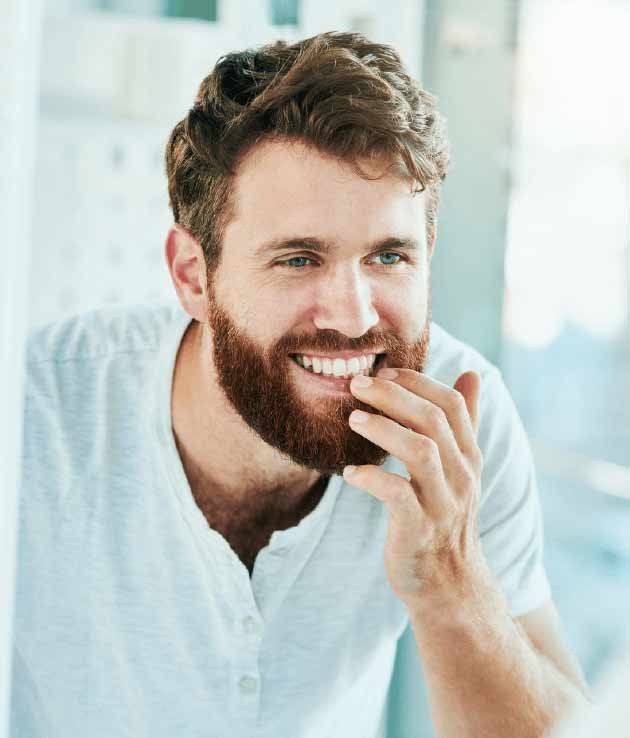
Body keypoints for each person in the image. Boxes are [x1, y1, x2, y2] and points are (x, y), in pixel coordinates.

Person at [12, 31, 590, 738]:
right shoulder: (33, 411)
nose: (353, 317)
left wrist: (449, 580)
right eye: (297, 258)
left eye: (388, 255)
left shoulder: (455, 418)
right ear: (193, 276)